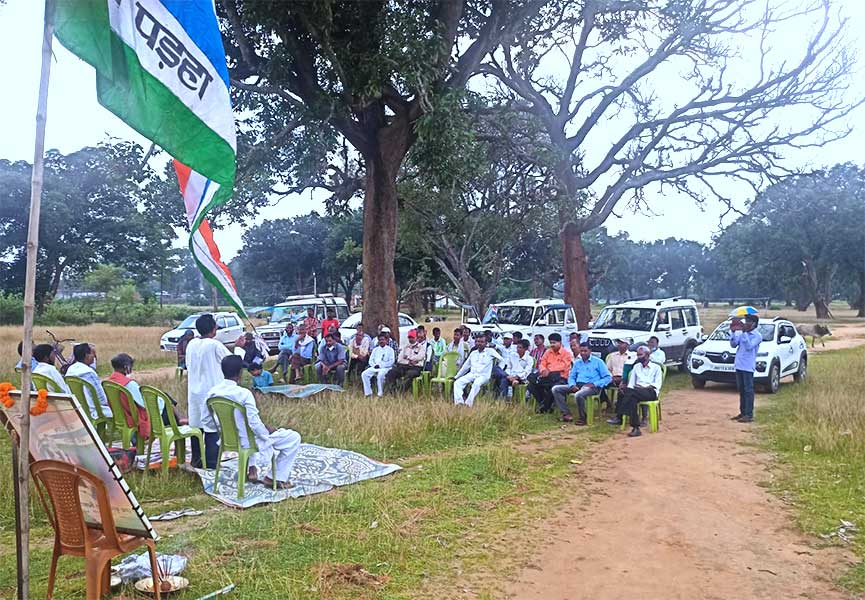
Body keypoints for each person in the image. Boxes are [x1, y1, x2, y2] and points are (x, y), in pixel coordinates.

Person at [208, 355, 301, 489]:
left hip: (227, 439)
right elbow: (254, 424)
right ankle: (274, 478)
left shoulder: (213, 392)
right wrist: (267, 433)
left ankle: (252, 469)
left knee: (247, 432)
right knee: (293, 438)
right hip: (248, 441)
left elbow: (209, 420)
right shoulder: (243, 393)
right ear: (240, 373)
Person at [185, 314, 231, 468]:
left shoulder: (191, 344)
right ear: (213, 329)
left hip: (194, 391)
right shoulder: (214, 345)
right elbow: (231, 361)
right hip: (211, 391)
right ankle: (211, 463)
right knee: (212, 426)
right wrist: (239, 347)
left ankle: (197, 460)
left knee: (197, 425)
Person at [609, 345, 663, 437]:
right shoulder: (636, 367)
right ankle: (636, 427)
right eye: (637, 355)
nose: (638, 357)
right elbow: (631, 384)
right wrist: (631, 388)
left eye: (640, 355)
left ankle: (620, 414)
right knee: (631, 397)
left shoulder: (656, 368)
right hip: (636, 392)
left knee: (628, 393)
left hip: (650, 392)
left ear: (647, 355)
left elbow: (656, 385)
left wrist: (642, 388)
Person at [552, 342, 612, 424]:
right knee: (556, 389)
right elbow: (571, 376)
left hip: (592, 387)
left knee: (578, 395)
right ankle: (566, 413)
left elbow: (608, 377)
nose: (583, 353)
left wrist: (595, 384)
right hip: (578, 384)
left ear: (590, 351)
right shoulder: (577, 362)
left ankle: (583, 417)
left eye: (585, 351)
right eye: (581, 351)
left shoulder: (598, 362)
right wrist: (572, 384)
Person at [107, 352, 156, 441]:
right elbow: (142, 403)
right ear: (126, 367)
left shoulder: (110, 382)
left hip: (122, 416)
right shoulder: (129, 383)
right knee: (167, 409)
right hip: (134, 417)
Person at [66, 343, 112, 419]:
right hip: (94, 411)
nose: (94, 356)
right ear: (86, 355)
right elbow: (101, 398)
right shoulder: (88, 373)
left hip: (79, 408)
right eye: (92, 353)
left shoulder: (71, 370)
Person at [528, 333, 572, 413]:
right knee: (531, 384)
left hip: (560, 377)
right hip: (546, 376)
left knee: (553, 387)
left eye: (554, 343)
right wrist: (543, 370)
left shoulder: (566, 354)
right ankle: (544, 403)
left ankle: (545, 406)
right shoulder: (548, 352)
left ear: (560, 342)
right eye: (551, 343)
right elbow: (542, 363)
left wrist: (549, 370)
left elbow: (563, 366)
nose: (552, 345)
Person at [729, 314, 762, 423]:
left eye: (748, 321)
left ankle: (749, 414)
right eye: (746, 321)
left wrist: (744, 333)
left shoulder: (757, 336)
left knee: (748, 390)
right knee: (741, 390)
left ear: (754, 324)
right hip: (739, 365)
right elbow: (733, 344)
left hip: (748, 366)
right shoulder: (743, 333)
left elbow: (749, 346)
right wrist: (733, 332)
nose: (746, 323)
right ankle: (743, 412)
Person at [453, 335, 497, 407]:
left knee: (476, 383)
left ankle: (468, 404)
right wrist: (456, 376)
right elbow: (465, 367)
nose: (479, 343)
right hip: (472, 374)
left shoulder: (490, 351)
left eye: (482, 342)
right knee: (457, 382)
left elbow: (502, 360)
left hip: (484, 376)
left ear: (486, 343)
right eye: (477, 342)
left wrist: (501, 368)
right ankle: (459, 403)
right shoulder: (473, 353)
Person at [361, 333, 396, 397]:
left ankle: (380, 393)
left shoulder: (390, 350)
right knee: (364, 374)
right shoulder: (375, 350)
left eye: (382, 339)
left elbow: (391, 361)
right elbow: (370, 361)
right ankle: (368, 393)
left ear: (386, 340)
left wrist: (382, 365)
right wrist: (374, 365)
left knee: (380, 375)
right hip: (375, 367)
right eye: (379, 340)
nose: (381, 341)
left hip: (386, 368)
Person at [603, 338, 634, 409]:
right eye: (618, 343)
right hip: (612, 378)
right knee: (598, 384)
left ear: (627, 345)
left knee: (623, 388)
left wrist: (623, 379)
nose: (619, 345)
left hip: (625, 378)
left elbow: (632, 371)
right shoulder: (612, 356)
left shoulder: (632, 356)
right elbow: (608, 370)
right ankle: (607, 401)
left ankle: (620, 407)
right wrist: (611, 377)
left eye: (622, 343)